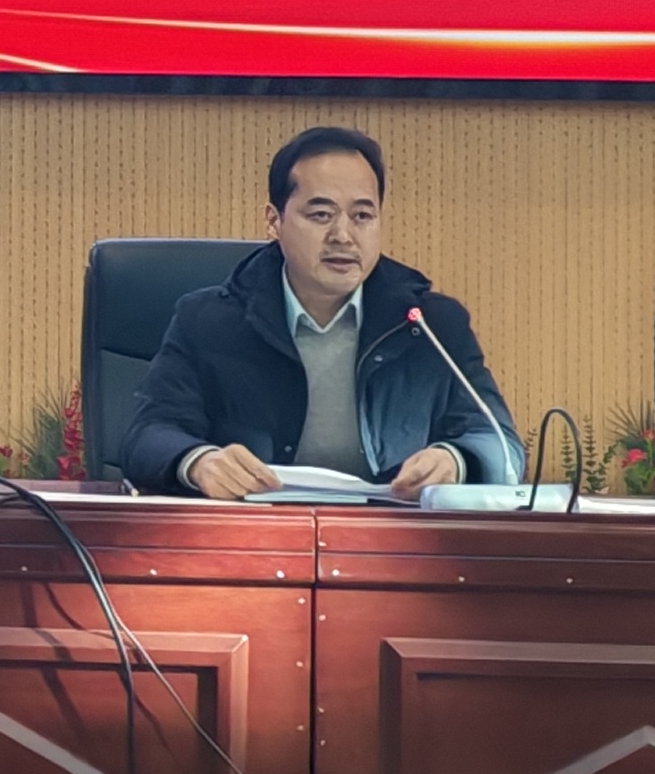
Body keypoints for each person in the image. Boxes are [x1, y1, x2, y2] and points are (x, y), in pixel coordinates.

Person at [122, 125, 512, 500]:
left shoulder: (429, 325)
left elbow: (499, 443)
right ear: (273, 221)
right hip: (254, 533)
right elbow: (148, 434)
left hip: (391, 536)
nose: (343, 236)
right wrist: (200, 463)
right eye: (322, 215)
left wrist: (455, 460)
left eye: (362, 216)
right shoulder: (208, 321)